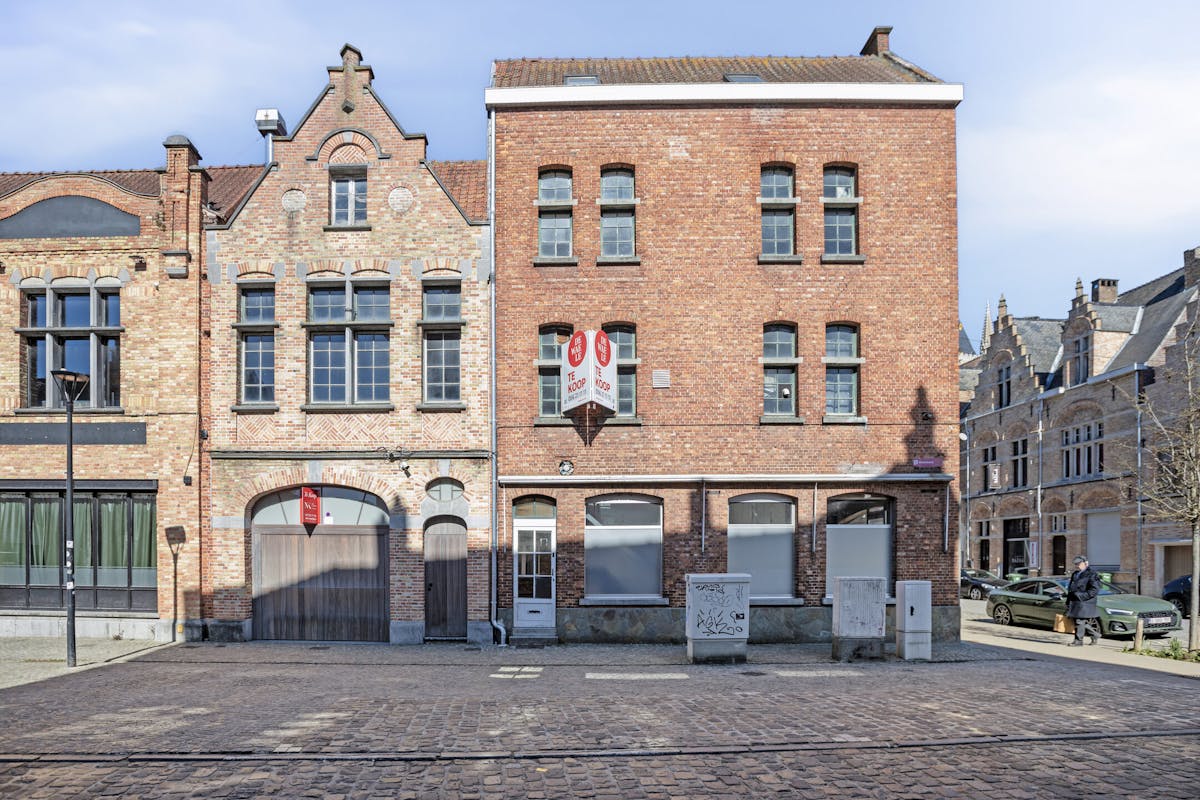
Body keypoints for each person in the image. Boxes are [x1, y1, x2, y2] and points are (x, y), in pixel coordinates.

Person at [1066, 555, 1101, 646]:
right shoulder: (1075, 574)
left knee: (1079, 621)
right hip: (1075, 601)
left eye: (1079, 564)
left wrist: (1082, 596)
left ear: (1086, 563)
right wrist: (1068, 601)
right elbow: (1071, 588)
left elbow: (1094, 590)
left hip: (1085, 602)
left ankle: (1078, 641)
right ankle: (1095, 635)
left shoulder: (1092, 574)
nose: (1077, 566)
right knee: (1080, 622)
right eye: (1076, 564)